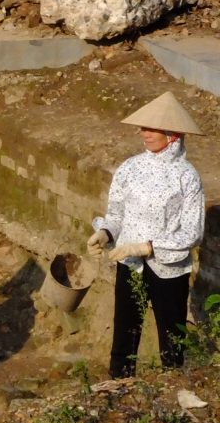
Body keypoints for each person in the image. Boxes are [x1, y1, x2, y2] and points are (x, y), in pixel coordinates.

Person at [86, 91, 205, 378]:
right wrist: (104, 232)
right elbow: (116, 213)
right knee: (125, 331)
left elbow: (192, 231)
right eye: (143, 128)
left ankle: (173, 386)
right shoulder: (130, 168)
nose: (144, 134)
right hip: (129, 264)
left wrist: (149, 246)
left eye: (152, 129)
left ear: (172, 135)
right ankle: (119, 384)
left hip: (168, 268)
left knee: (171, 336)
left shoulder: (187, 176)